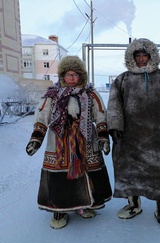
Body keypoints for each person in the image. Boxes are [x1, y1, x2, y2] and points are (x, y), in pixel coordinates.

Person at [107, 38, 160, 228]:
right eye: (136, 55)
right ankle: (133, 204)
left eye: (144, 55)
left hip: (159, 139)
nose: (140, 59)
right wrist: (114, 126)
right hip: (129, 138)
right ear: (131, 57)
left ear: (151, 56)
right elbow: (114, 105)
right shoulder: (122, 80)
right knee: (129, 171)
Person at [26, 56, 112, 229]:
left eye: (76, 74)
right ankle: (59, 210)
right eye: (68, 74)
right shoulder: (52, 94)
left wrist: (103, 137)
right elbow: (42, 115)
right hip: (59, 141)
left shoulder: (90, 94)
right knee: (60, 175)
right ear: (62, 76)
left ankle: (84, 204)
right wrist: (36, 139)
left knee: (85, 171)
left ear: (81, 76)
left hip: (85, 140)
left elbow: (101, 114)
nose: (72, 78)